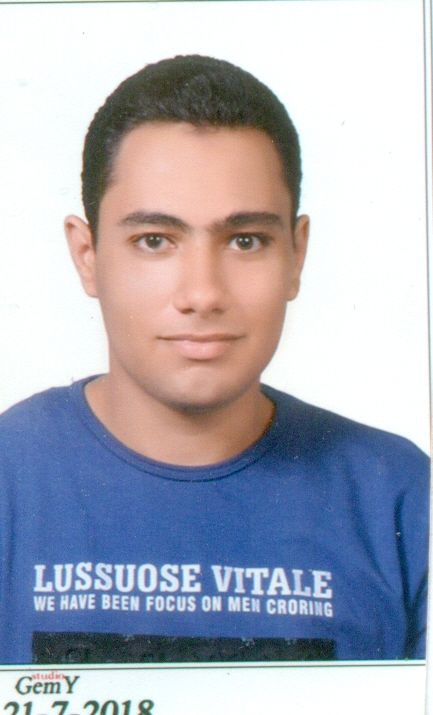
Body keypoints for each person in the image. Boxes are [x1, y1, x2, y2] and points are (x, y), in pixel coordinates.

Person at [0, 55, 428, 664]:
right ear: (87, 256)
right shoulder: (10, 481)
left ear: (296, 255)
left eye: (245, 240)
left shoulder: (402, 500)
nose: (202, 294)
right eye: (155, 241)